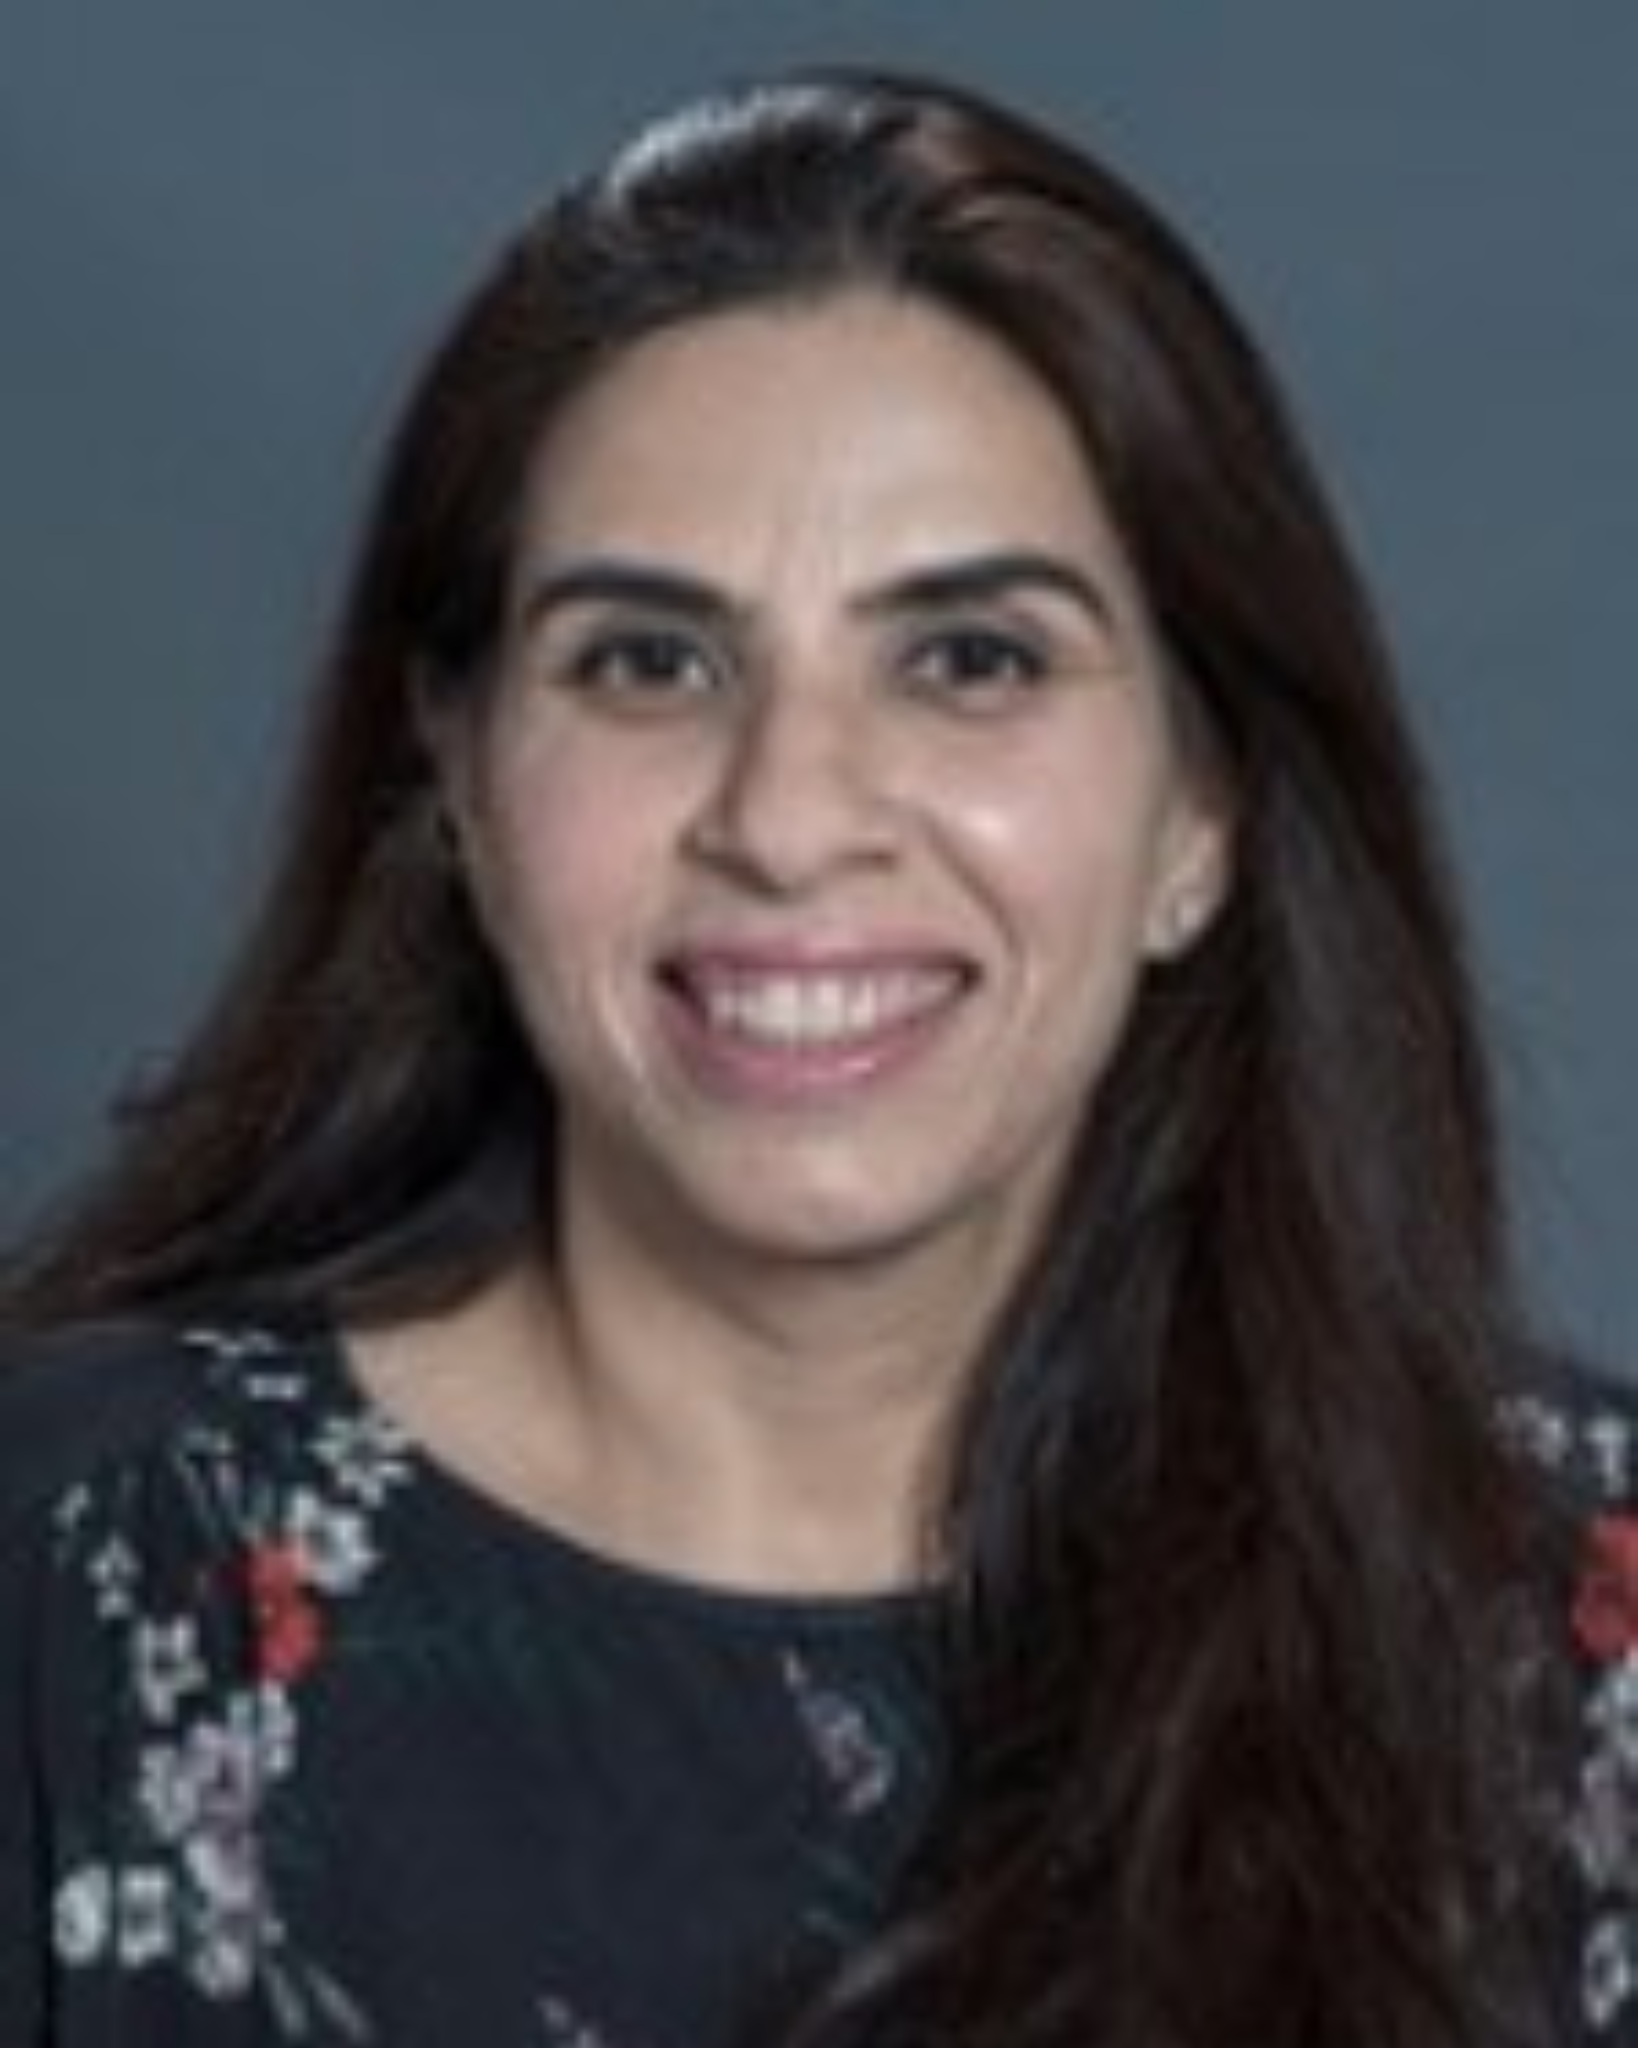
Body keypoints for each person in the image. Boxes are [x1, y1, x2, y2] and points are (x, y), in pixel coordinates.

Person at [1, 64, 1633, 2048]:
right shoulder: (63, 1576)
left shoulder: (1573, 1623)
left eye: (970, 660)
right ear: (462, 778)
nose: (787, 818)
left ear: (1200, 809)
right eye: (649, 661)